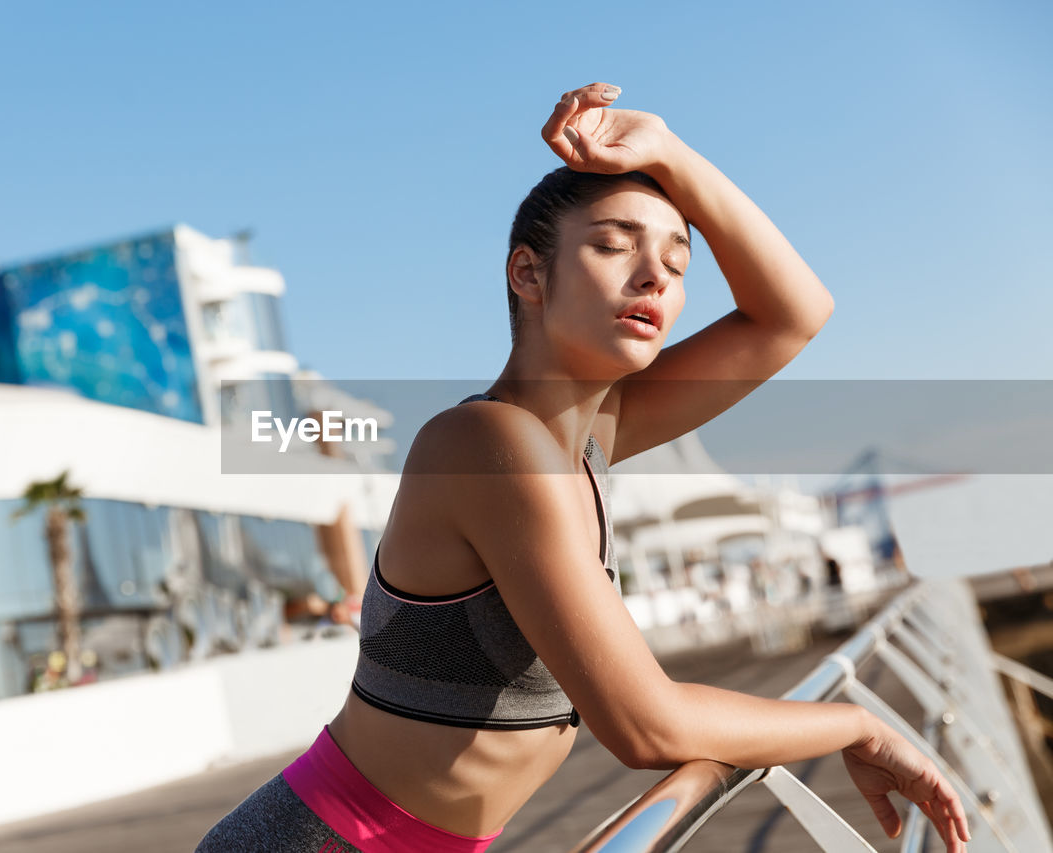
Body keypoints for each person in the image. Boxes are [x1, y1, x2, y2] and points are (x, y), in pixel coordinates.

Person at [196, 83, 970, 853]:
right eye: (613, 244)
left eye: (676, 260)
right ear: (528, 275)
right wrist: (858, 724)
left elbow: (793, 312)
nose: (656, 277)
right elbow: (644, 723)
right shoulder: (483, 445)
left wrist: (667, 149)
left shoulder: (592, 436)